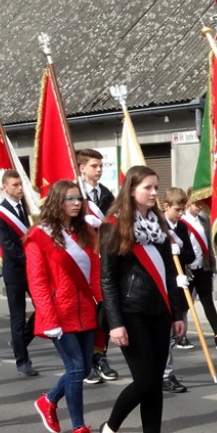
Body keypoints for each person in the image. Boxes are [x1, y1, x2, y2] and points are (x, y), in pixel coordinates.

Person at [97, 166, 187, 433]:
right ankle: (109, 429)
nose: (153, 193)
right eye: (147, 187)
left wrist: (177, 312)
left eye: (155, 187)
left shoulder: (158, 224)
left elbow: (170, 272)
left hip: (159, 312)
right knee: (145, 380)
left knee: (155, 382)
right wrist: (115, 323)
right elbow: (107, 280)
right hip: (130, 313)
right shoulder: (112, 225)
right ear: (131, 189)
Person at [27, 180, 104, 433]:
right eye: (70, 198)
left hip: (85, 311)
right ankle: (79, 430)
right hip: (59, 314)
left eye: (78, 198)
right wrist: (48, 319)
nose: (76, 203)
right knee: (74, 369)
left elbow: (94, 272)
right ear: (57, 201)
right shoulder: (39, 235)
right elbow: (37, 282)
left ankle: (48, 401)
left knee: (83, 369)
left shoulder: (86, 233)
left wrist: (103, 304)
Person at [76, 148, 118, 386]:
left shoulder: (105, 193)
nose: (99, 170)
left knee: (104, 308)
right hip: (82, 257)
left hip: (102, 255)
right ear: (81, 168)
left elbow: (114, 219)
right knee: (86, 312)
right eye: (94, 166)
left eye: (101, 166)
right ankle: (86, 361)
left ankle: (100, 355)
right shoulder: (74, 193)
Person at [0, 170, 37, 377]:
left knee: (44, 308)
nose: (19, 188)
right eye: (15, 185)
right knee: (17, 316)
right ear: (5, 187)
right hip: (16, 271)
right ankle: (22, 360)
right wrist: (29, 261)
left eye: (21, 184)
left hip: (34, 270)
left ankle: (20, 340)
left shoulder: (28, 207)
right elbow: (7, 245)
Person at [181, 194, 217, 349]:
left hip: (203, 267)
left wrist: (212, 265)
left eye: (202, 204)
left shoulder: (204, 221)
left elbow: (208, 245)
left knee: (207, 300)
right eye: (197, 203)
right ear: (188, 203)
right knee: (184, 304)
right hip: (187, 268)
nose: (200, 207)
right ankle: (179, 336)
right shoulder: (181, 222)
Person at [160, 187, 195, 393]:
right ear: (166, 206)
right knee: (167, 332)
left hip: (180, 283)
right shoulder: (158, 225)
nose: (181, 213)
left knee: (179, 331)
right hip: (164, 285)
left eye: (183, 209)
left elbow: (189, 256)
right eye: (177, 209)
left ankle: (159, 363)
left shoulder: (181, 227)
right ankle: (166, 374)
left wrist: (179, 248)